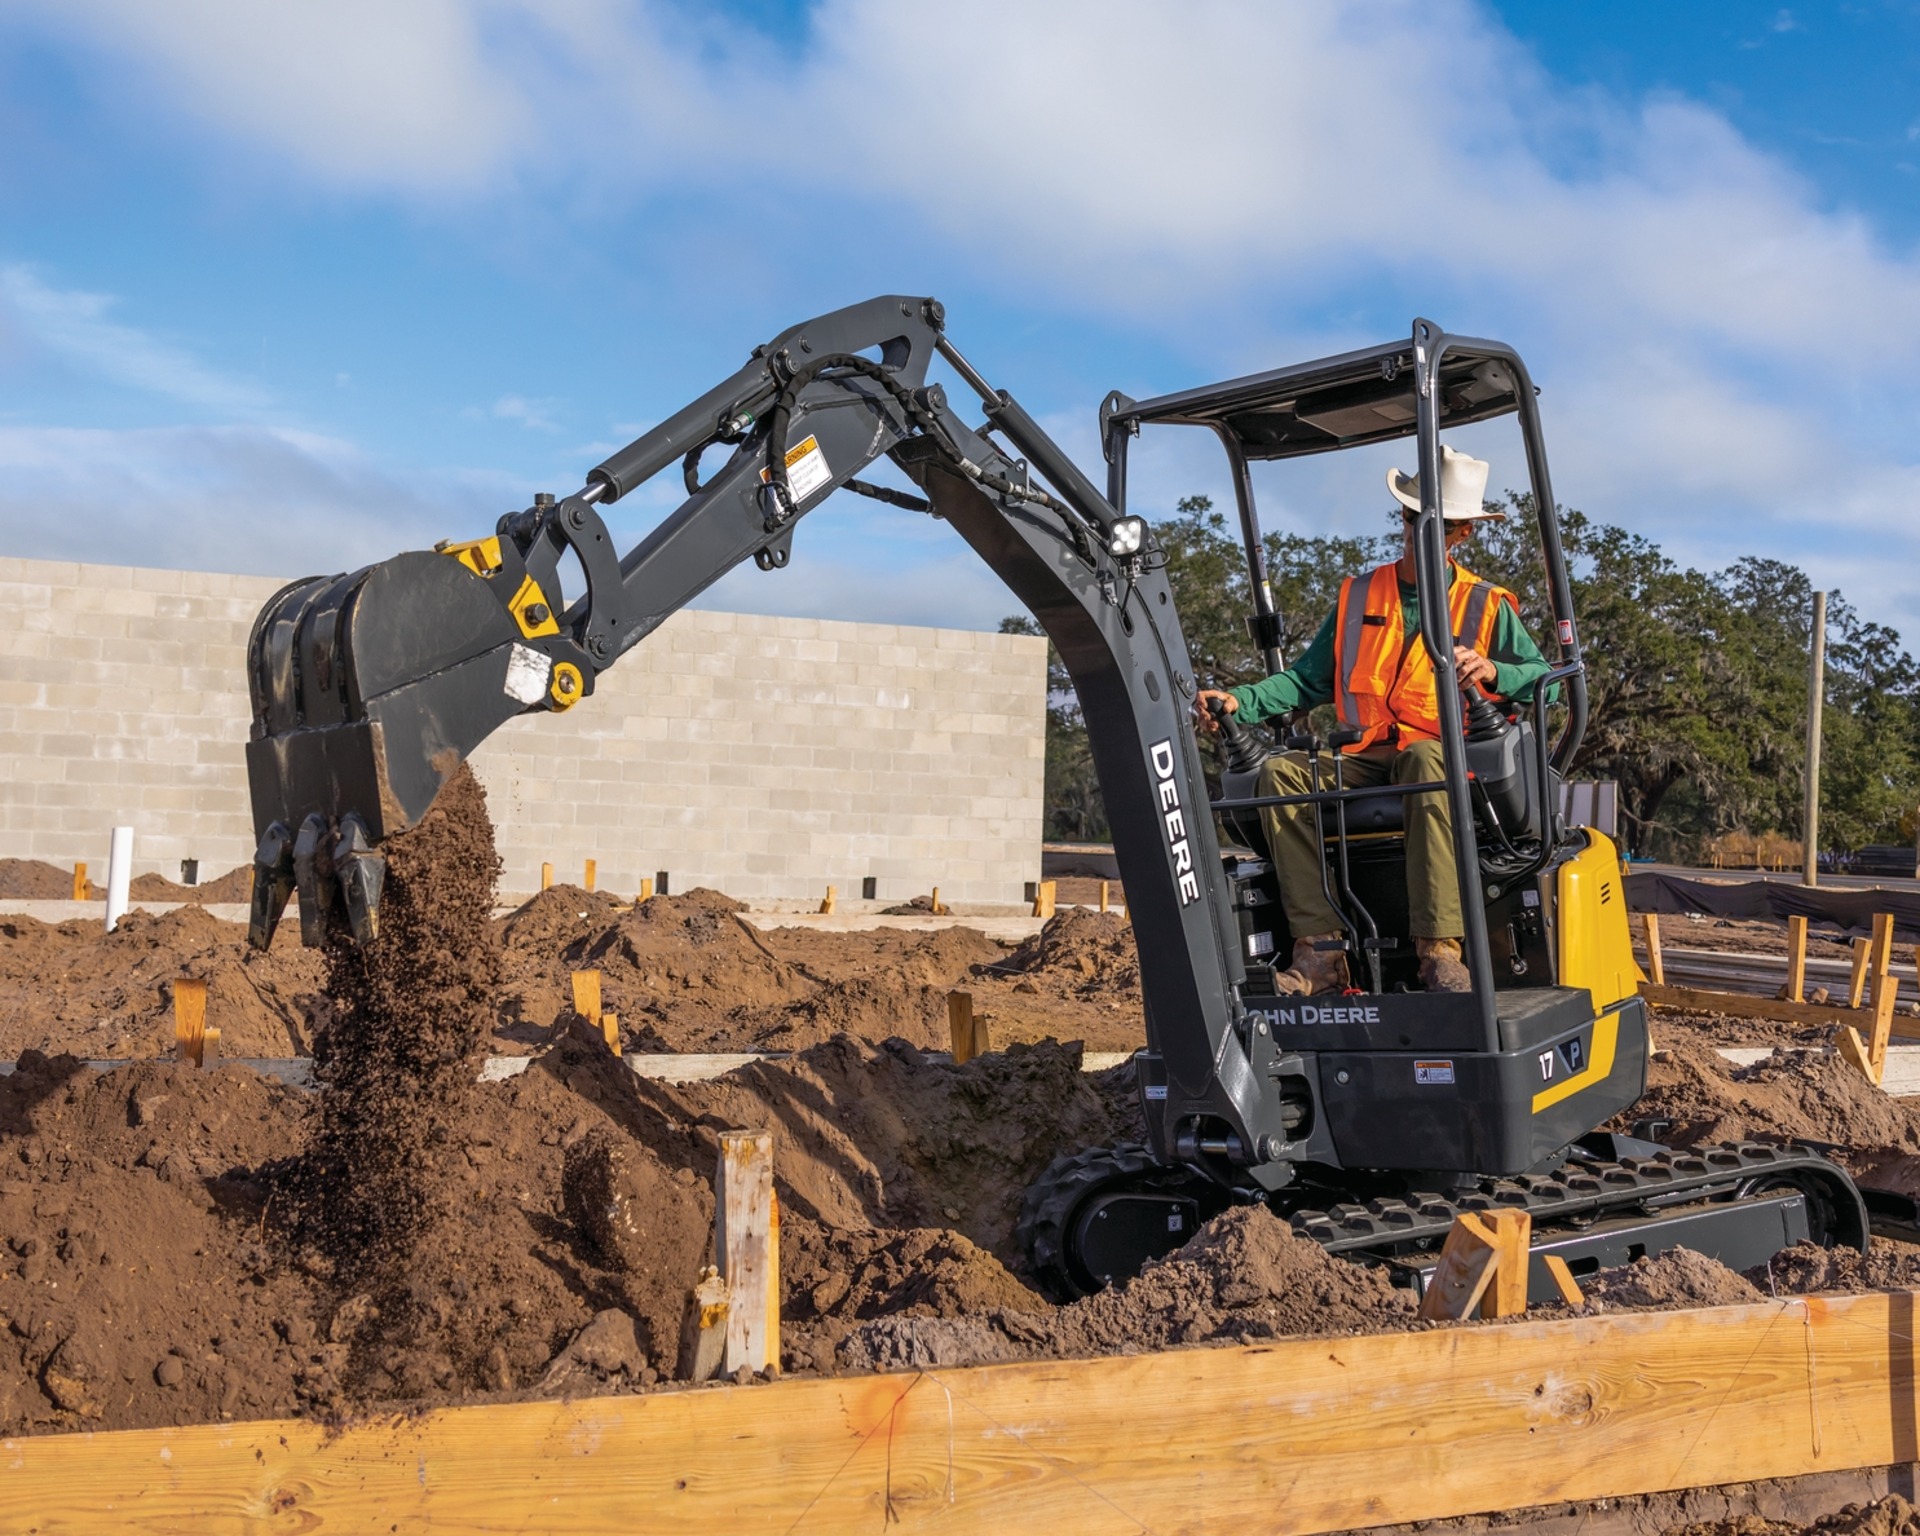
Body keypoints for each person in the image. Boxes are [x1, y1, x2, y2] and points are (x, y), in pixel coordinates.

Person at [1194, 446, 1555, 994]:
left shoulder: (1486, 605)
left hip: (1442, 754)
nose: (1422, 532)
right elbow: (1305, 680)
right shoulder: (1359, 595)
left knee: (1425, 759)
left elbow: (1540, 676)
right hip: (1365, 756)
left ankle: (1438, 951)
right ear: (1404, 519)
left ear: (1463, 534)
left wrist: (1492, 671)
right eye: (1415, 519)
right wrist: (1241, 700)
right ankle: (1319, 952)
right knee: (1278, 776)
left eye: (1443, 525)